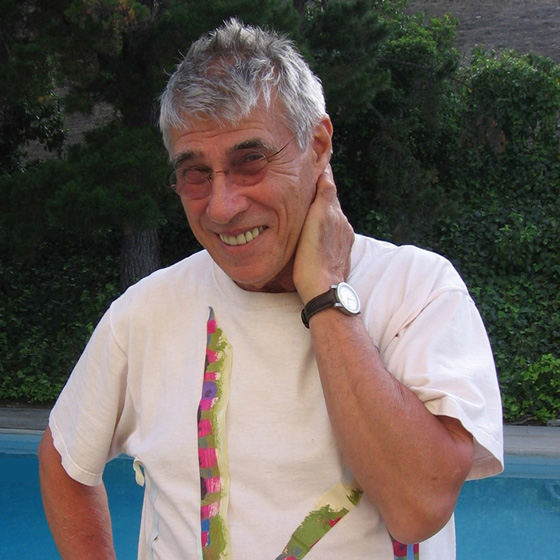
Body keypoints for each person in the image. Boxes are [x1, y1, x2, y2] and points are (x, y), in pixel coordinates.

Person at [38, 18, 503, 560]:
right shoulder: (145, 313)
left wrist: (326, 293)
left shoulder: (417, 290)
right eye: (195, 173)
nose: (221, 205)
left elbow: (417, 507)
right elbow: (64, 458)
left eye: (249, 161)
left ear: (319, 145)